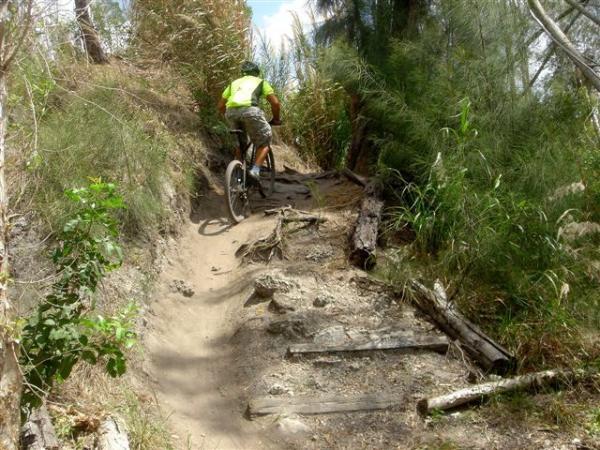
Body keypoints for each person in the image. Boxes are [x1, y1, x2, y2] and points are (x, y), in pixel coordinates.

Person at [218, 61, 281, 180]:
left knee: (240, 144)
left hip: (231, 112)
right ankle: (255, 170)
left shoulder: (233, 83)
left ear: (242, 73)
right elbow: (275, 103)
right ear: (256, 73)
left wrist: (228, 116)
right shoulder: (261, 82)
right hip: (250, 112)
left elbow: (221, 106)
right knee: (264, 142)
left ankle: (237, 175)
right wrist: (276, 119)